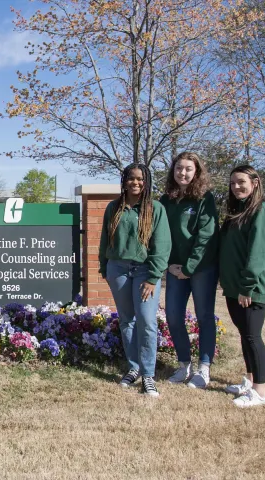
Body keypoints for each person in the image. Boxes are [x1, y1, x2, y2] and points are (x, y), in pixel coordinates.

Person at [99, 163, 171, 397]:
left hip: (144, 271)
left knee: (147, 322)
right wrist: (105, 268)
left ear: (146, 181)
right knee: (127, 321)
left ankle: (148, 375)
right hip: (117, 269)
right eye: (131, 178)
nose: (136, 183)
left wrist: (153, 276)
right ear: (124, 181)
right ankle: (134, 368)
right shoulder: (114, 208)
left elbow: (162, 246)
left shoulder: (155, 209)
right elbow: (104, 240)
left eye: (141, 179)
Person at [220, 165, 265, 408]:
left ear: (255, 182)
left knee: (253, 336)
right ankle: (250, 381)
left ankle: (260, 392)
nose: (236, 187)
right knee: (245, 335)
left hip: (251, 289)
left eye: (241, 182)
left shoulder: (262, 212)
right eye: (233, 183)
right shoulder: (239, 212)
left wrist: (247, 287)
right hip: (235, 288)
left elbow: (259, 254)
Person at [160, 152, 219, 389]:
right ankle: (184, 365)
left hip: (201, 267)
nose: (182, 173)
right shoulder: (166, 200)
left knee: (204, 316)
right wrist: (167, 265)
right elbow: (159, 235)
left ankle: (204, 369)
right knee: (173, 316)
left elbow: (207, 235)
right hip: (175, 269)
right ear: (173, 171)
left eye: (188, 169)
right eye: (178, 168)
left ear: (196, 172)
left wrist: (190, 267)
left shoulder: (205, 198)